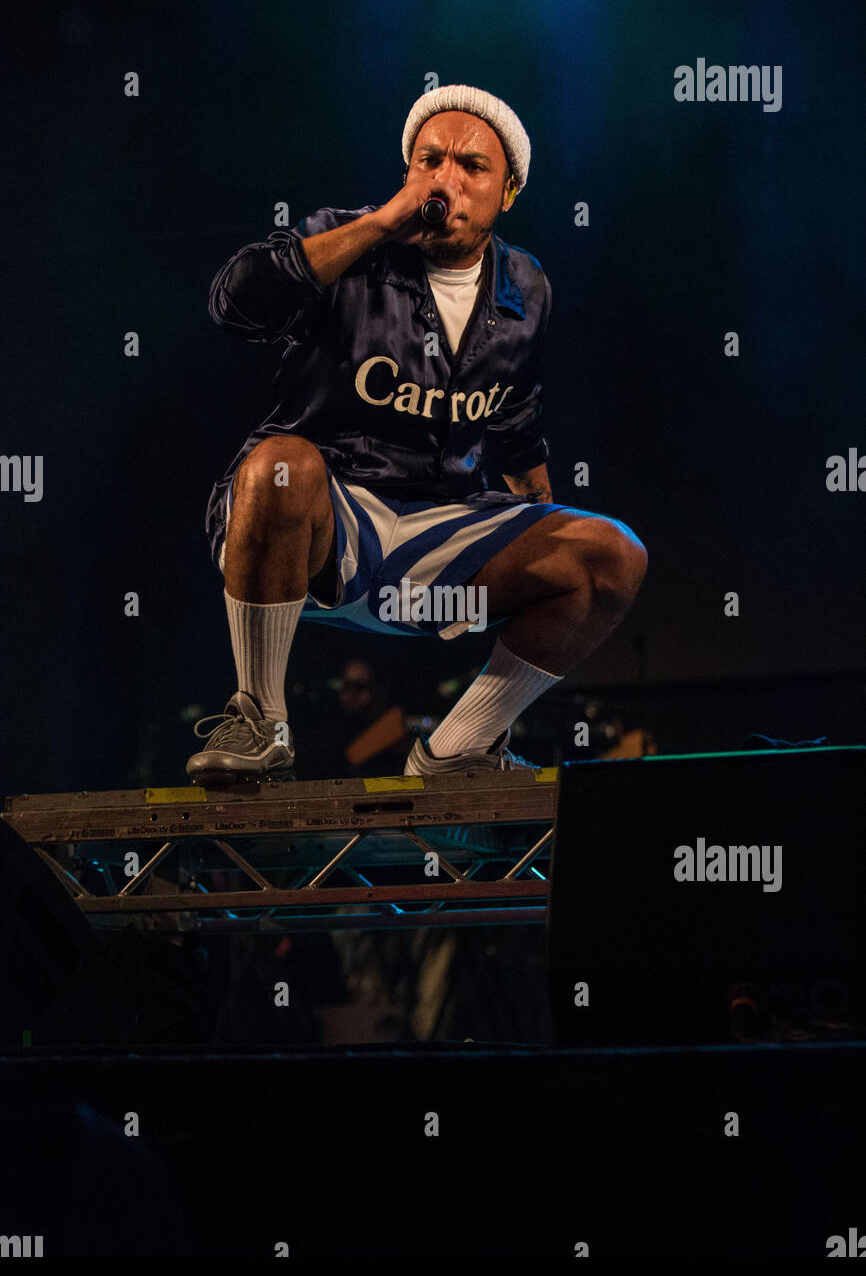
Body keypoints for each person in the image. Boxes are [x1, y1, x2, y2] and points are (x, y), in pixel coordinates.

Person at [187, 84, 647, 785]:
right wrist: (378, 226)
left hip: (436, 544)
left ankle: (456, 750)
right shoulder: (346, 238)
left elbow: (516, 419)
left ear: (509, 192)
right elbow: (235, 303)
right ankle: (260, 718)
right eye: (429, 160)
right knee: (279, 465)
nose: (446, 179)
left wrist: (542, 519)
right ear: (407, 173)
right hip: (321, 530)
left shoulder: (527, 288)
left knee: (613, 553)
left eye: (472, 166)